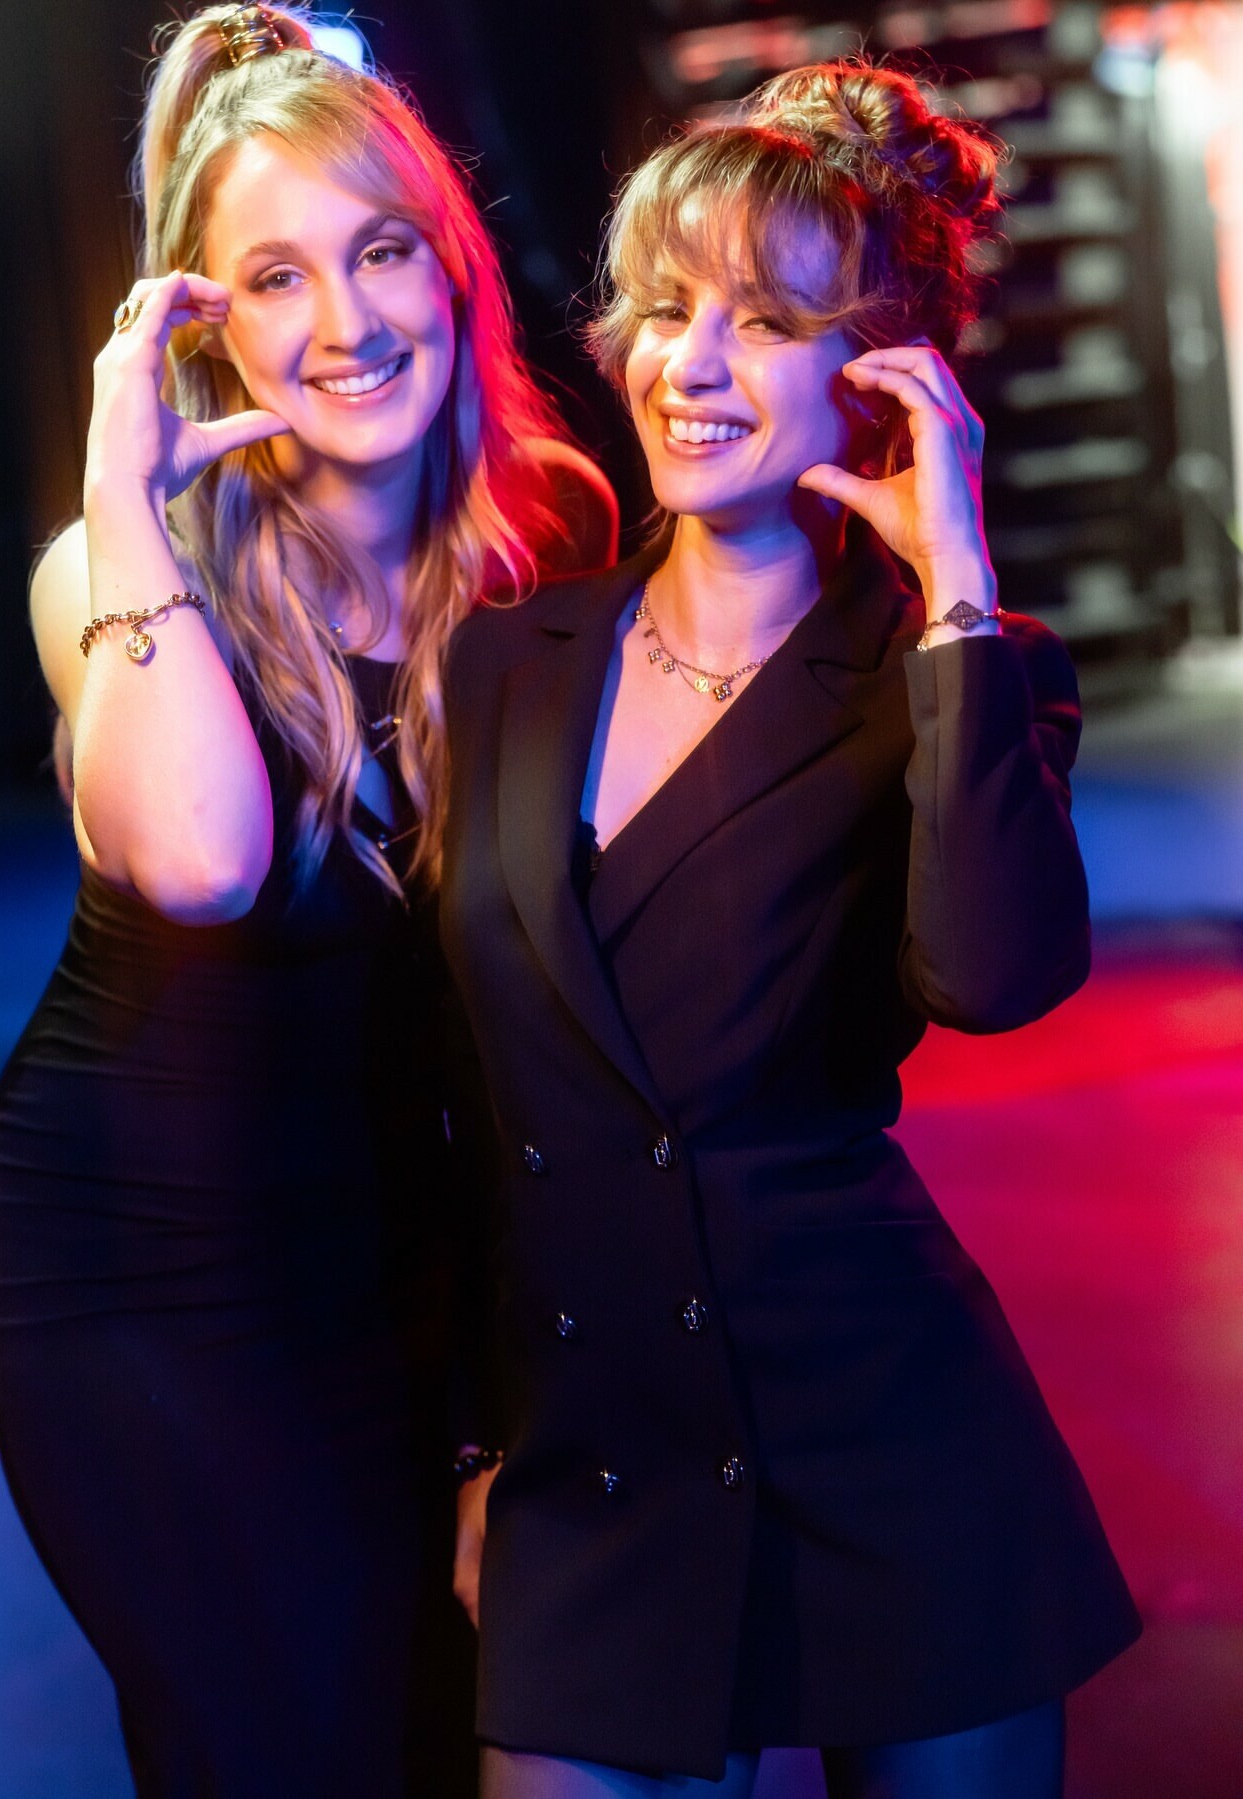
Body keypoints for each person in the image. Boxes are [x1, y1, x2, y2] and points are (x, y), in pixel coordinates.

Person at [440, 58, 1141, 1799]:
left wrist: (957, 592)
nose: (688, 365)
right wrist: (470, 1441)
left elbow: (992, 979)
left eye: (763, 323)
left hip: (890, 1454)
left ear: (877, 374)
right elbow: (449, 1091)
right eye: (668, 306)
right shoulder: (510, 663)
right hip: (594, 1465)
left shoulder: (952, 674)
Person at [0, 6, 614, 1795]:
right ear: (203, 327)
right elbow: (203, 862)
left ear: (451, 263)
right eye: (273, 277)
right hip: (144, 1276)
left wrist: (496, 1400)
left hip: (402, 1253)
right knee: (279, 1742)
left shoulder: (545, 536)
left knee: (439, 1739)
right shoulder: (112, 575)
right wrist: (122, 488)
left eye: (381, 250)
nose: (346, 323)